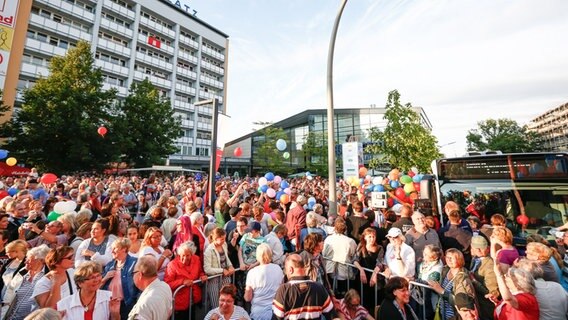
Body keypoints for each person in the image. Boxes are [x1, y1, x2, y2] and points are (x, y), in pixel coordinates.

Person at [272, 254, 339, 320]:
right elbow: (333, 316)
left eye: (285, 270)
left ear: (290, 270)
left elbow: (276, 318)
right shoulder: (319, 288)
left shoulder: (283, 290)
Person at [57, 261, 121, 320]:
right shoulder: (63, 305)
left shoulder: (110, 298)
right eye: (91, 277)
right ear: (80, 283)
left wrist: (115, 314)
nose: (96, 280)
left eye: (98, 275)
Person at [2, 245, 50, 320]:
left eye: (30, 259)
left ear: (41, 260)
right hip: (11, 317)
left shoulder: (47, 277)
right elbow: (8, 294)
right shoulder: (22, 273)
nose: (25, 261)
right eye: (26, 258)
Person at [428, 249, 476, 320]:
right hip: (442, 312)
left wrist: (442, 291)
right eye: (447, 257)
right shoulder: (445, 270)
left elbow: (462, 302)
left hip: (454, 315)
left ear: (459, 259)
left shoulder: (463, 278)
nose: (449, 260)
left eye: (452, 258)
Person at [165, 241, 207, 319]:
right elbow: (167, 283)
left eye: (187, 255)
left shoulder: (196, 259)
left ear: (192, 254)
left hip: (193, 298)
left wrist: (202, 276)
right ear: (179, 254)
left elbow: (200, 271)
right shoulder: (172, 265)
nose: (185, 258)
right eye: (182, 255)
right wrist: (182, 282)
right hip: (179, 301)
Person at [101, 238, 139, 320]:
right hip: (109, 304)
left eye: (115, 248)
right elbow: (98, 285)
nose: (112, 251)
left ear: (124, 249)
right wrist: (105, 277)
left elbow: (140, 287)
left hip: (126, 305)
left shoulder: (134, 263)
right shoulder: (109, 265)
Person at [244, 243, 283, 320]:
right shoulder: (278, 269)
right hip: (275, 312)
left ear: (258, 256)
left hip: (258, 313)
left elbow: (248, 298)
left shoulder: (252, 272)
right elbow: (282, 288)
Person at [128, 255, 173, 320]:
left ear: (140, 275)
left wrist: (115, 315)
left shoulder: (143, 307)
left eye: (133, 273)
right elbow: (169, 312)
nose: (133, 276)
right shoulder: (165, 286)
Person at [353, 227, 386, 312]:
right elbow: (355, 260)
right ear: (365, 237)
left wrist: (374, 274)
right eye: (370, 236)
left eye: (374, 236)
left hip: (375, 278)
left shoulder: (380, 248)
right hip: (363, 277)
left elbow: (380, 263)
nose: (372, 239)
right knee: (363, 299)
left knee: (374, 301)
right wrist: (361, 270)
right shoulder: (361, 245)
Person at [323, 218, 357, 295]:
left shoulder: (328, 239)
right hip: (344, 272)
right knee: (344, 294)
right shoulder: (350, 241)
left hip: (331, 270)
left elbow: (324, 252)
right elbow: (353, 254)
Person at [468, 235, 499, 320]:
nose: (478, 250)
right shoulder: (475, 258)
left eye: (481, 248)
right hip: (477, 305)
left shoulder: (490, 265)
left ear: (488, 248)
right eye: (475, 248)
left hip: (485, 308)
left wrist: (473, 280)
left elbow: (492, 293)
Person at [203, 227, 235, 308]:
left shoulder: (224, 244)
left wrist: (230, 266)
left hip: (225, 278)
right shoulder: (209, 250)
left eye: (224, 238)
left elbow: (226, 258)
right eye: (222, 239)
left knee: (227, 302)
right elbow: (207, 269)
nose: (224, 241)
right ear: (215, 238)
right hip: (214, 280)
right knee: (216, 305)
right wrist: (222, 270)